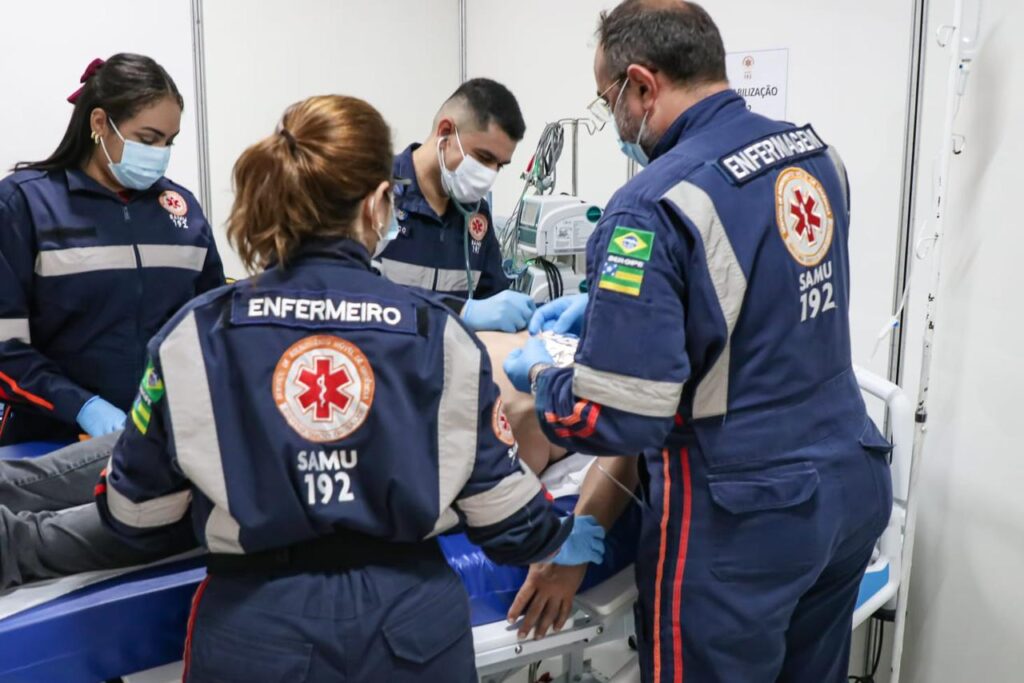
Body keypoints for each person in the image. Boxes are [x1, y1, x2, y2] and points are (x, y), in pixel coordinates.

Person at [94, 95, 602, 682]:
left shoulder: (195, 335)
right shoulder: (441, 337)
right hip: (409, 632)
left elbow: (134, 515)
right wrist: (561, 537)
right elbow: (503, 517)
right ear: (380, 203)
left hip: (257, 630)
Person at [504, 2, 894, 681]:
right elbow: (761, 307)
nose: (615, 123)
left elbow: (621, 414)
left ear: (642, 85)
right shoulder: (814, 154)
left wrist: (548, 382)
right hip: (849, 482)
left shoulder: (650, 205)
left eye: (609, 102)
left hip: (746, 515)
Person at [0, 53, 224, 448]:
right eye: (148, 139)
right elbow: (6, 348)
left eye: (169, 142)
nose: (160, 153)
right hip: (50, 444)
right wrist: (83, 406)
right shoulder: (25, 205)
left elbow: (212, 330)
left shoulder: (181, 211)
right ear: (100, 123)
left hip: (160, 444)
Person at [379, 78, 537, 333]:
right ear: (445, 133)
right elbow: (353, 297)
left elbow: (492, 302)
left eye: (499, 165)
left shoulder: (476, 216)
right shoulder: (378, 193)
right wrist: (462, 311)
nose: (489, 174)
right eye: (484, 158)